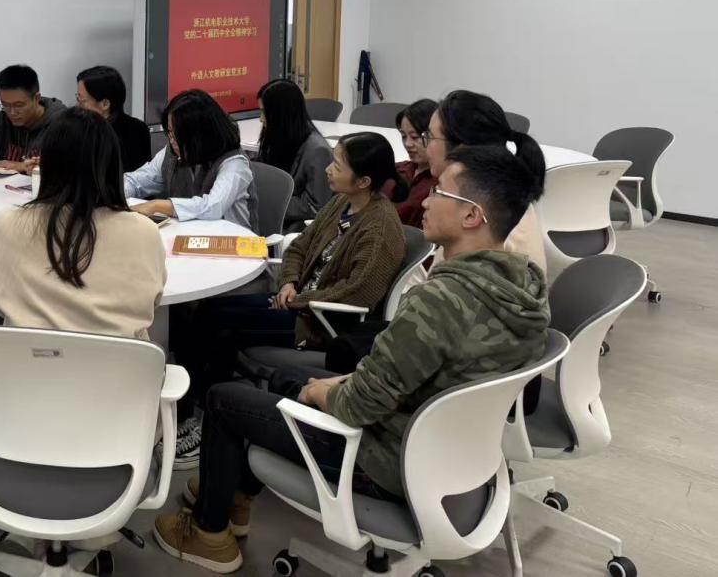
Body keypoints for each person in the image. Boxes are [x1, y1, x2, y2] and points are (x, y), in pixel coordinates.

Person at [153, 144, 550, 573]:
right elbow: (421, 375)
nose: (425, 201)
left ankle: (209, 535)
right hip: (450, 457)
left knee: (225, 399)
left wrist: (323, 392)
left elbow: (358, 406)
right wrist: (339, 384)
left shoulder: (439, 301)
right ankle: (232, 494)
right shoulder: (525, 291)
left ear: (472, 216)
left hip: (382, 460)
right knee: (285, 385)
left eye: (439, 192)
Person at [170, 132, 408, 468]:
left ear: (364, 181)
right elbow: (299, 246)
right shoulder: (342, 203)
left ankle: (205, 413)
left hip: (320, 322)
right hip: (298, 302)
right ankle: (203, 406)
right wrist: (289, 282)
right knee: (210, 313)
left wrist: (298, 299)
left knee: (217, 321)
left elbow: (357, 292)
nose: (327, 170)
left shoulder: (380, 229)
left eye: (337, 166)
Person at [0, 108, 166, 339]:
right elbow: (152, 302)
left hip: (28, 359)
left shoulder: (8, 224)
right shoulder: (144, 232)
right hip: (117, 360)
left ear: (48, 163)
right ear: (112, 165)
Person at [424, 89, 548, 272]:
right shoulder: (498, 194)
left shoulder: (488, 222)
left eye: (429, 137)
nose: (425, 146)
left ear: (462, 148)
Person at [124, 90, 258, 230]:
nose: (171, 140)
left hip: (231, 239)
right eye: (169, 132)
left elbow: (213, 207)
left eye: (176, 135)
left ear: (198, 136)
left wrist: (157, 205)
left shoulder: (234, 163)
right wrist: (117, 195)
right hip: (186, 233)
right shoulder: (172, 152)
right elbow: (136, 181)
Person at [255, 79, 333, 229]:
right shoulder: (277, 137)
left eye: (265, 112)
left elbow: (314, 206)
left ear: (282, 114)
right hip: (272, 217)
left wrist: (269, 202)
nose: (261, 119)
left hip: (294, 227)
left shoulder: (318, 151)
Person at [0, 64, 66, 173]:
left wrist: (21, 166)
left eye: (19, 105)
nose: (12, 112)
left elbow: (67, 167)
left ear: (37, 98)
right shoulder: (0, 121)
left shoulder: (63, 123)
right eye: (5, 104)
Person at [76, 64, 151, 173]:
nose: (78, 106)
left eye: (82, 101)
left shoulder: (135, 131)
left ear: (105, 104)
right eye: (77, 98)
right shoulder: (79, 127)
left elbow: (136, 177)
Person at [392, 98, 439, 228]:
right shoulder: (397, 169)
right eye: (403, 136)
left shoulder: (442, 184)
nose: (408, 144)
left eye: (414, 137)